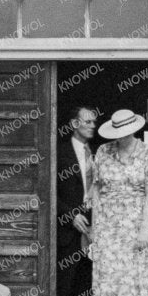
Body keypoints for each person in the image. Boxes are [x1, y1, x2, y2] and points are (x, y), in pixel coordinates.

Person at [81, 108, 148, 296]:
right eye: (118, 133)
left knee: (130, 285)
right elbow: (96, 190)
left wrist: (145, 229)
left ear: (134, 130)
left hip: (136, 223)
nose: (121, 137)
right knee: (108, 284)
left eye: (125, 133)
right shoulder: (104, 151)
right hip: (108, 225)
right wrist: (94, 230)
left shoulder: (147, 153)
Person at [64, 103, 100, 254]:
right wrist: (70, 215)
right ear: (74, 123)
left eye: (94, 122)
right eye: (88, 122)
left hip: (95, 225)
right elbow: (48, 191)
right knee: (68, 276)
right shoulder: (59, 152)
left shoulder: (101, 150)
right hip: (68, 228)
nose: (93, 126)